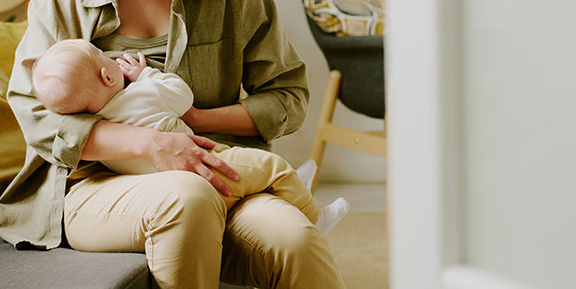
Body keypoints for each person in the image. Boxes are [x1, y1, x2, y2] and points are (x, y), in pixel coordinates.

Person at [0, 0, 347, 288]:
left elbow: (287, 97)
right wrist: (151, 142)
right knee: (188, 196)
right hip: (98, 183)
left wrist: (195, 121)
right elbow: (35, 114)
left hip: (218, 164)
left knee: (297, 241)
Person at [29, 38, 349, 235]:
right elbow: (183, 98)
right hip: (203, 173)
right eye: (102, 53)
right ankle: (313, 216)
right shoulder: (142, 94)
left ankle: (292, 191)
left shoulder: (100, 124)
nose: (108, 55)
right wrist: (146, 75)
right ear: (108, 74)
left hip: (163, 186)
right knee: (273, 167)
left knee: (244, 166)